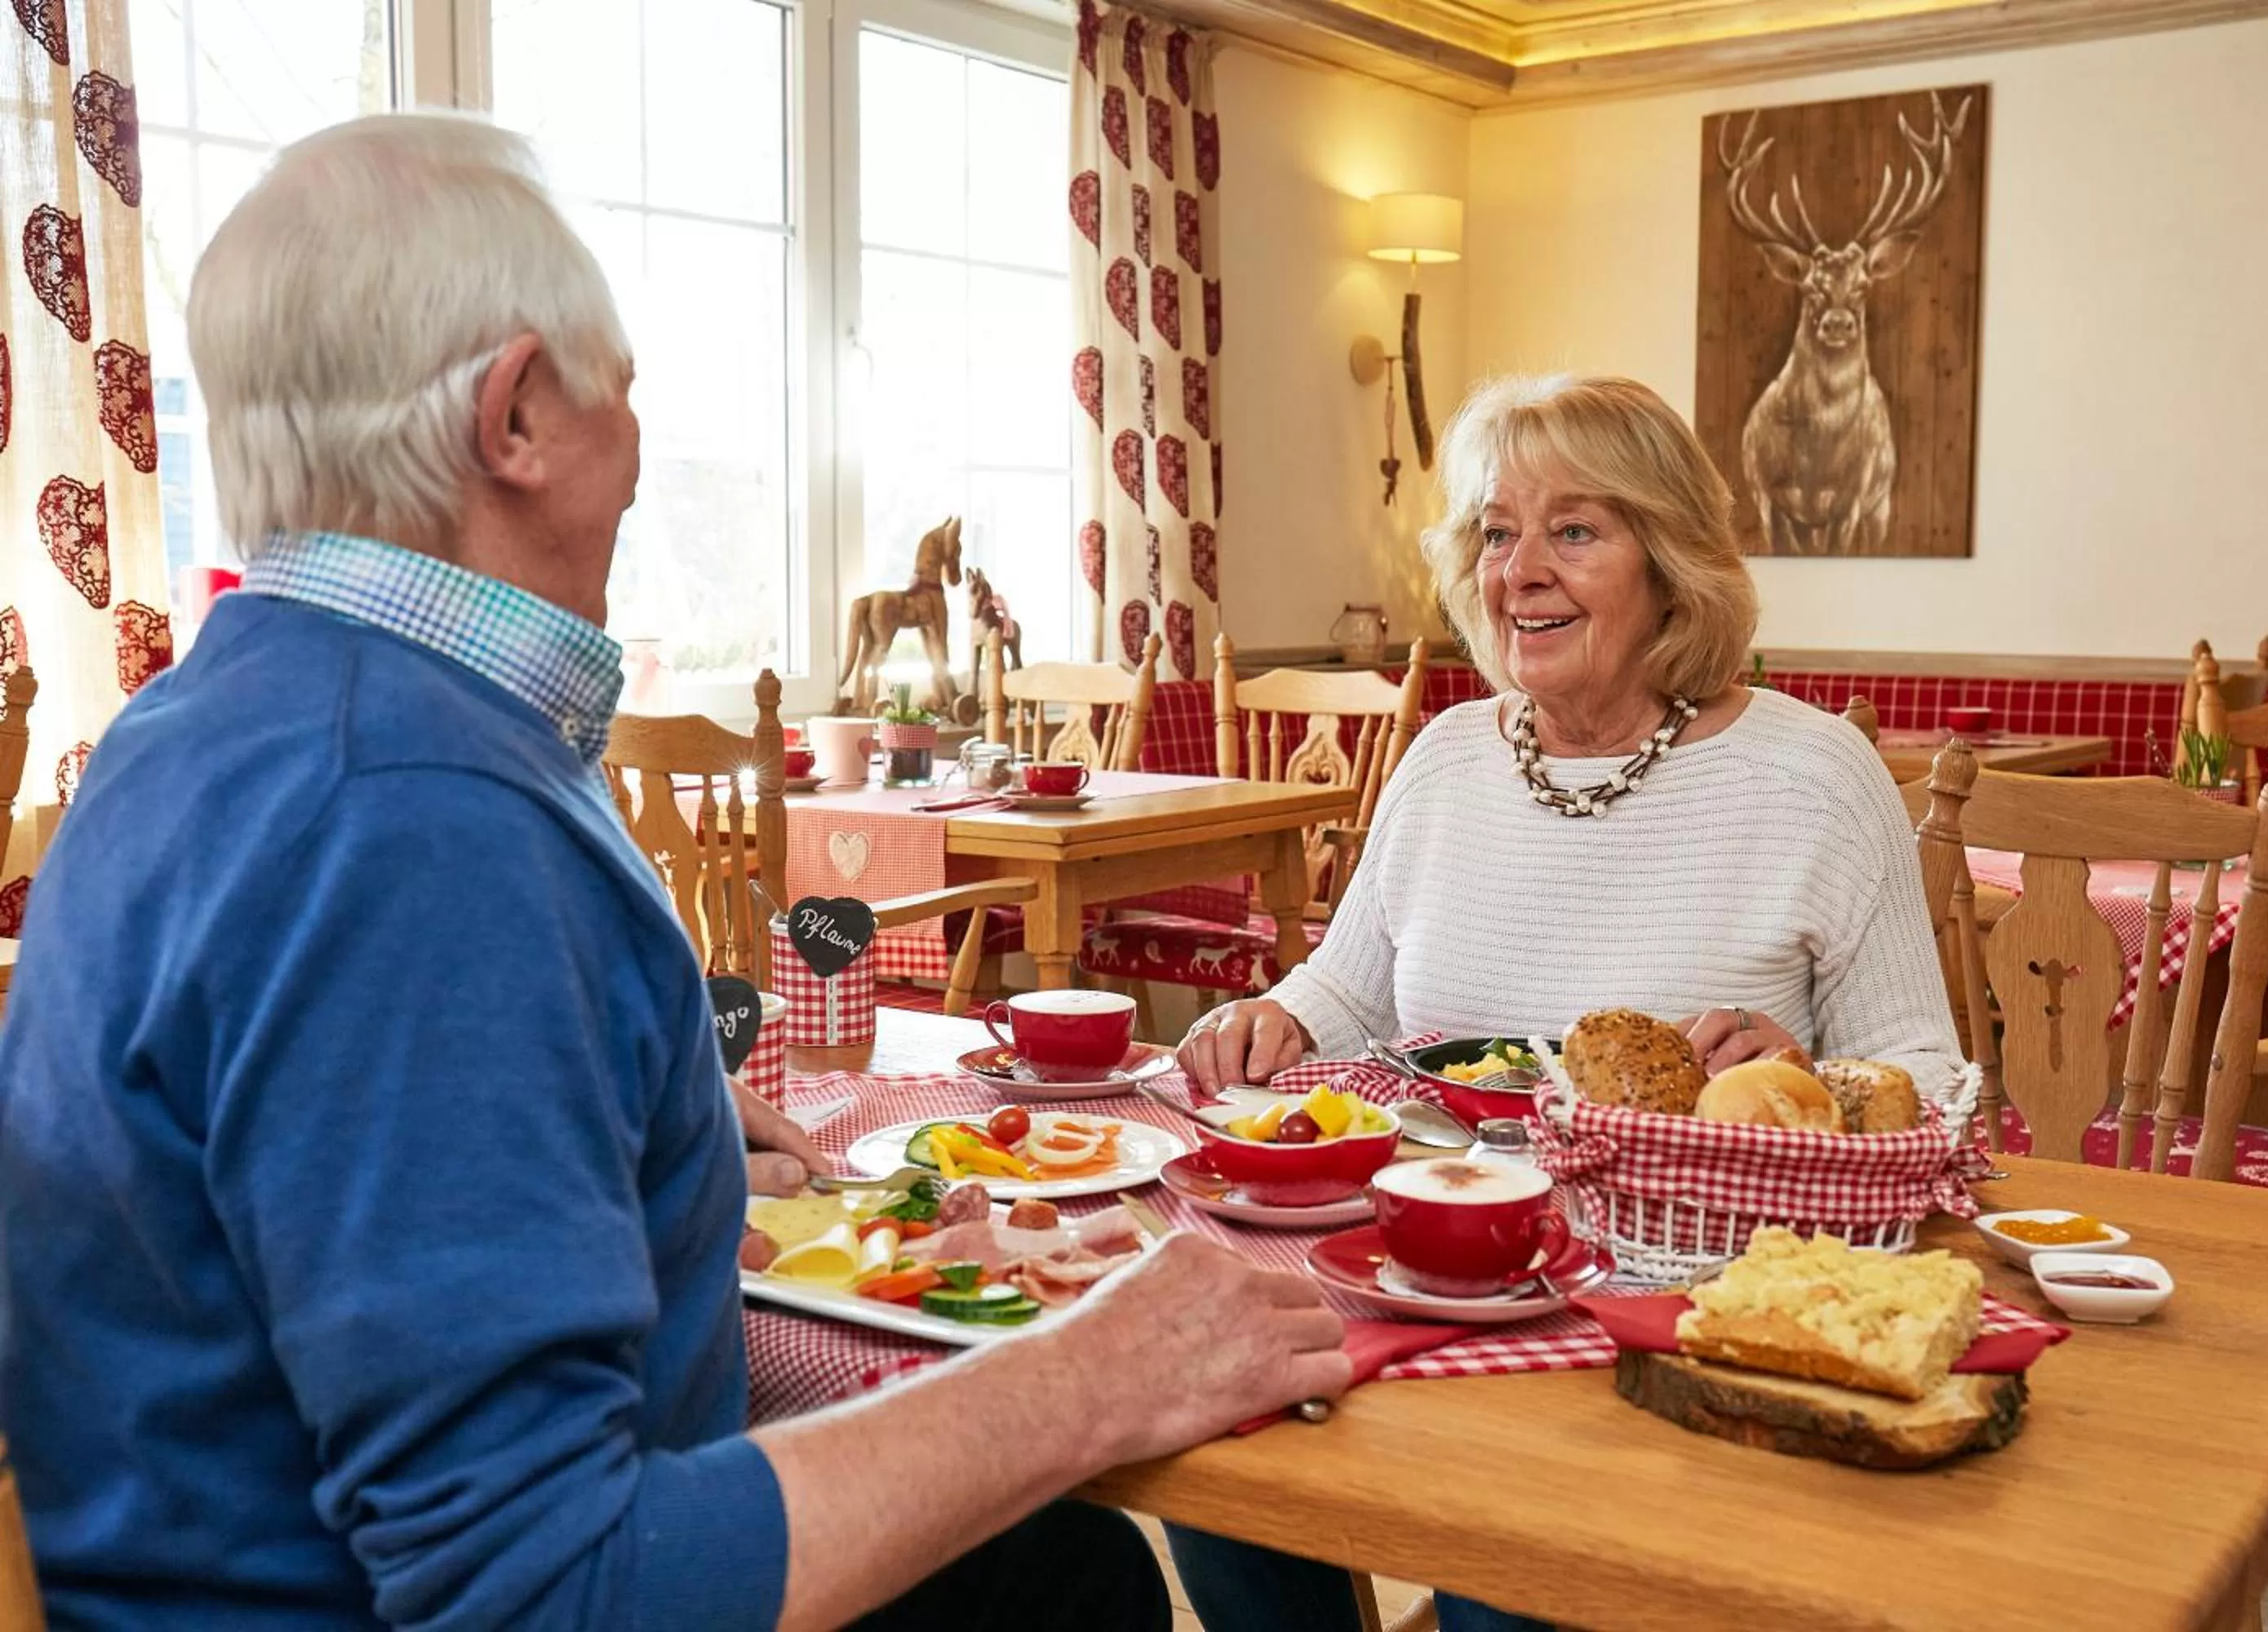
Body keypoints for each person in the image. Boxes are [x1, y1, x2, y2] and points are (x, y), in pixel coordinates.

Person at [0, 113, 1347, 1631]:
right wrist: (1093, 1375)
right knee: (1069, 1571)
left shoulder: (197, 726)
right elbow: (549, 1590)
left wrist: (642, 1146)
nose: (641, 450)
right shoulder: (416, 819)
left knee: (1057, 1574)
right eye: (623, 388)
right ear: (515, 417)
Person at [1165, 373, 1961, 1632]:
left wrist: (1801, 1065)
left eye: (1575, 532)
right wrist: (1284, 1018)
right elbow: (1350, 984)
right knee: (1217, 1459)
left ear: (1674, 564)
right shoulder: (1445, 759)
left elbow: (1925, 1073)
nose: (1519, 570)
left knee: (1509, 1593)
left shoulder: (1813, 776)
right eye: (1495, 533)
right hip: (1430, 1260)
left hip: (1664, 1300)